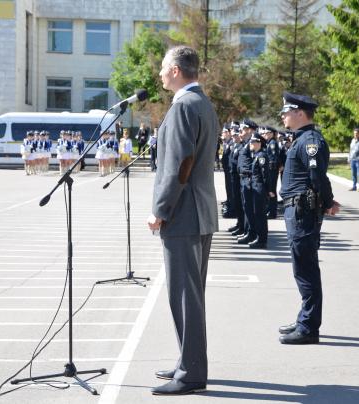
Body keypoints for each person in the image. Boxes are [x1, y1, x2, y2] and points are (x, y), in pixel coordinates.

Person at [147, 46, 218, 396]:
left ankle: (191, 373)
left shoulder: (183, 107)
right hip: (200, 211)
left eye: (163, 68)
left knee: (184, 295)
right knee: (191, 293)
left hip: (184, 213)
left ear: (176, 70)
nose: (160, 74)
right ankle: (188, 361)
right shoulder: (202, 103)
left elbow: (179, 164)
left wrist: (160, 209)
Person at [278, 91, 340, 345]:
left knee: (306, 270)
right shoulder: (301, 139)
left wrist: (328, 202)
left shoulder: (310, 141)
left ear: (299, 113)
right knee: (301, 268)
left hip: (303, 212)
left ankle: (308, 327)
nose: (283, 116)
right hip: (297, 211)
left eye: (286, 112)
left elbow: (317, 178)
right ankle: (305, 318)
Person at [236, 118, 257, 245]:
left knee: (250, 209)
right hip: (243, 178)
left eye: (242, 129)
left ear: (249, 130)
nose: (240, 132)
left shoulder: (253, 143)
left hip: (248, 179)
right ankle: (248, 231)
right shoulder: (247, 142)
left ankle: (252, 233)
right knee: (246, 208)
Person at [248, 132, 270, 248]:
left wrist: (268, 190)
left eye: (253, 142)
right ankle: (260, 238)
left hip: (260, 188)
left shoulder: (261, 156)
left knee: (260, 215)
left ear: (259, 143)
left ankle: (262, 240)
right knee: (258, 214)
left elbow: (265, 175)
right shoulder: (257, 155)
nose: (250, 143)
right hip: (256, 187)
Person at [220, 126, 234, 218]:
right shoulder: (227, 143)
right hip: (227, 170)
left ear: (228, 133)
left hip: (231, 171)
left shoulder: (232, 143)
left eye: (224, 132)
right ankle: (230, 204)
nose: (222, 134)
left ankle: (233, 209)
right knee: (229, 190)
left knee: (232, 191)